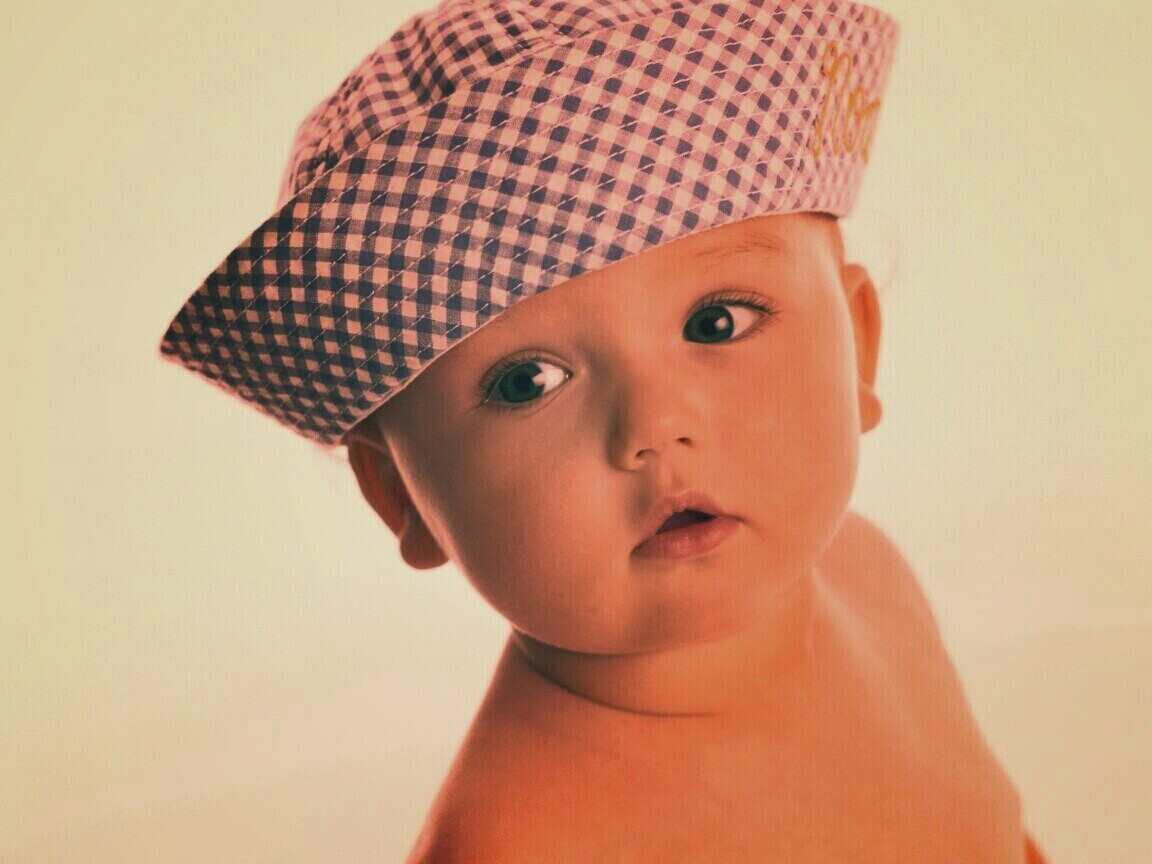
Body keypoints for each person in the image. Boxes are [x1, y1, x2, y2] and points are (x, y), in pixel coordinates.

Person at [160, 0, 1049, 860]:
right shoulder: (520, 848)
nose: (654, 425)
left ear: (858, 341)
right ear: (399, 494)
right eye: (527, 381)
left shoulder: (870, 573)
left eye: (717, 322)